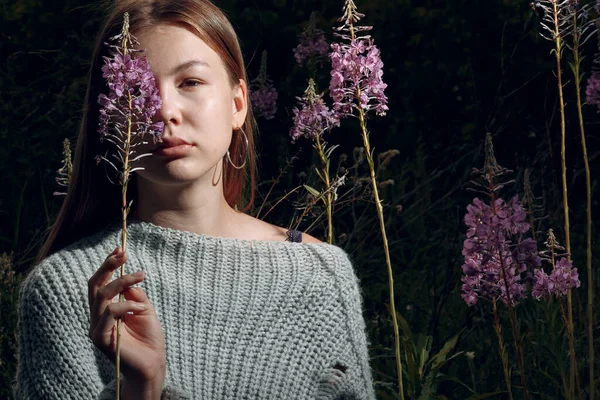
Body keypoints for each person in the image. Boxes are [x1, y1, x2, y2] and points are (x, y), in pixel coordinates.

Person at [14, 0, 376, 398]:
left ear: (238, 104)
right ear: (108, 119)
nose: (165, 111)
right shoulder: (66, 290)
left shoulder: (320, 275)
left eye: (190, 82)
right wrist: (141, 388)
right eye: (136, 90)